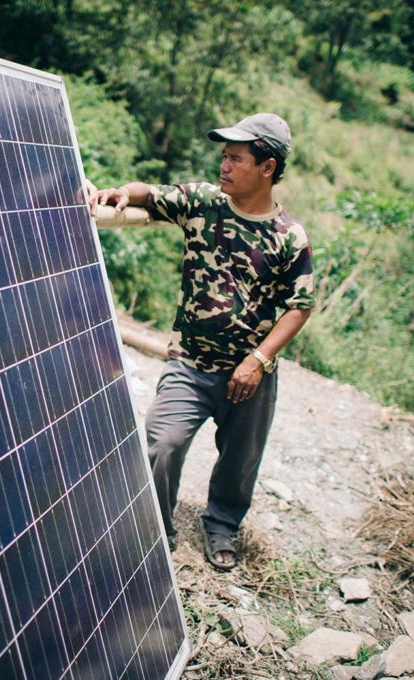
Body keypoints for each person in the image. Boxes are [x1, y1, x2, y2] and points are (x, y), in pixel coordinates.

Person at [90, 113, 314, 571]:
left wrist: (258, 359)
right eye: (224, 156)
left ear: (267, 167)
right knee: (162, 444)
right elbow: (148, 193)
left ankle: (222, 527)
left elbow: (300, 304)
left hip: (248, 373)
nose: (224, 166)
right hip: (189, 363)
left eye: (236, 158)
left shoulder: (289, 236)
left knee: (241, 458)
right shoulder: (203, 202)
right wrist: (121, 194)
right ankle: (155, 527)